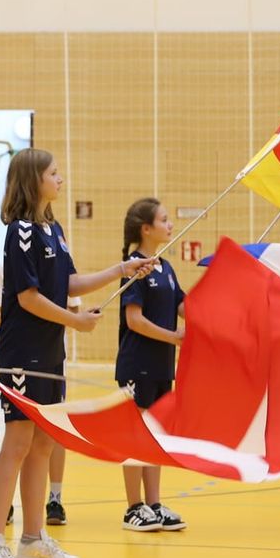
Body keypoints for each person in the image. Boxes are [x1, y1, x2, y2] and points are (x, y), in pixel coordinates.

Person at [0, 149, 154, 558]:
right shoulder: (19, 232)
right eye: (54, 173)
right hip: (23, 351)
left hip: (50, 352)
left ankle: (33, 539)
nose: (61, 178)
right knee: (18, 442)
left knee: (43, 443)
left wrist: (120, 270)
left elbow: (68, 281)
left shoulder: (52, 229)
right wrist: (75, 321)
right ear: (33, 179)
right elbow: (28, 298)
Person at [116, 198, 188, 533]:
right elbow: (135, 321)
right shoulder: (135, 267)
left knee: (157, 435)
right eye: (164, 219)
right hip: (137, 365)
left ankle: (154, 504)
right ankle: (134, 507)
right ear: (146, 229)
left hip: (161, 367)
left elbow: (186, 306)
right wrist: (174, 337)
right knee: (135, 435)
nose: (170, 224)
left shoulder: (165, 267)